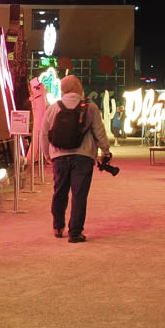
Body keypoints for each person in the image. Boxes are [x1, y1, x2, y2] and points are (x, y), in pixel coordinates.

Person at [43, 74, 113, 243]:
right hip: (83, 156)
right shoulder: (90, 108)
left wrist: (47, 154)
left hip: (59, 156)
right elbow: (99, 131)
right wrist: (106, 151)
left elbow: (44, 133)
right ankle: (75, 232)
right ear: (76, 87)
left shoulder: (53, 108)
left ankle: (58, 226)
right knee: (79, 194)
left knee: (60, 191)